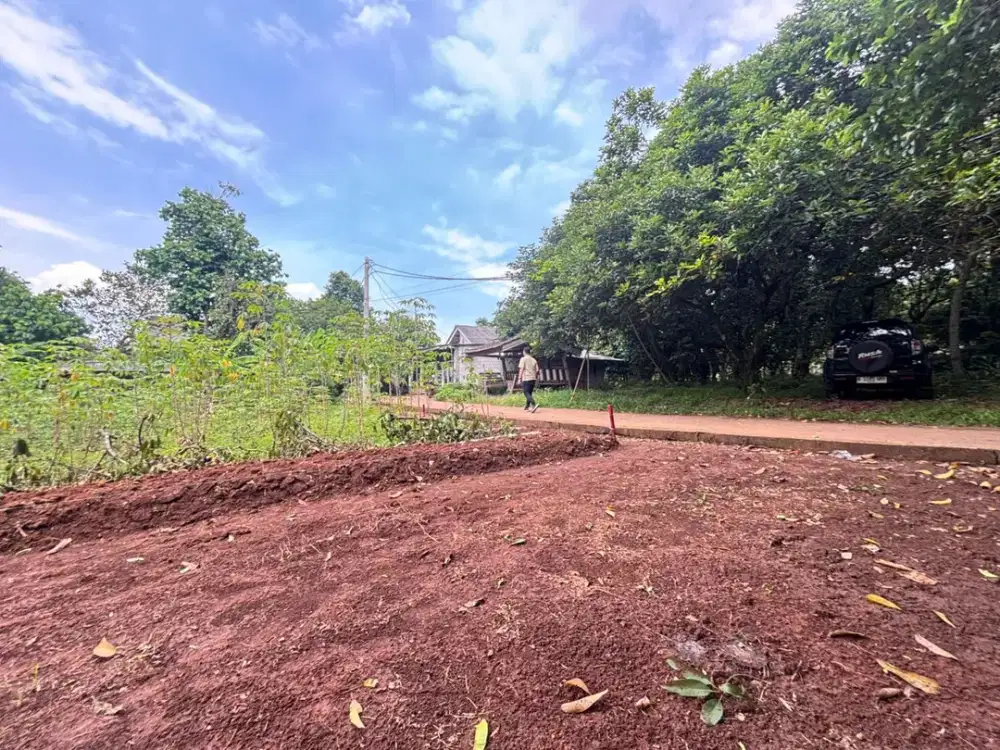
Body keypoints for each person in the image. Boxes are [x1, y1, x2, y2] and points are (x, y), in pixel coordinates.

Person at [517, 345, 540, 413]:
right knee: (529, 392)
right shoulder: (534, 360)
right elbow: (537, 371)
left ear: (524, 352)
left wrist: (519, 378)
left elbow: (521, 369)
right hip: (533, 378)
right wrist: (535, 377)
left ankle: (533, 404)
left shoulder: (523, 359)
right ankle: (527, 407)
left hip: (526, 378)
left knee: (526, 392)